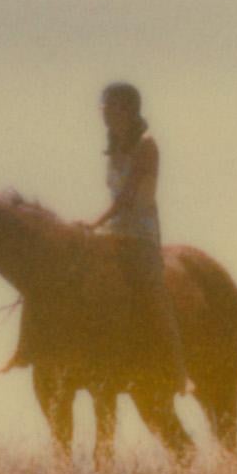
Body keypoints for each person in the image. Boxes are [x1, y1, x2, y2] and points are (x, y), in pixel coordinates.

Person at [87, 80, 189, 396]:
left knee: (152, 286)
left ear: (129, 109)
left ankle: (178, 369)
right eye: (102, 106)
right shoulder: (114, 143)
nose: (103, 112)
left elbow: (128, 198)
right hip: (113, 230)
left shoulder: (147, 144)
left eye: (110, 106)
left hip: (140, 232)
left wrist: (92, 224)